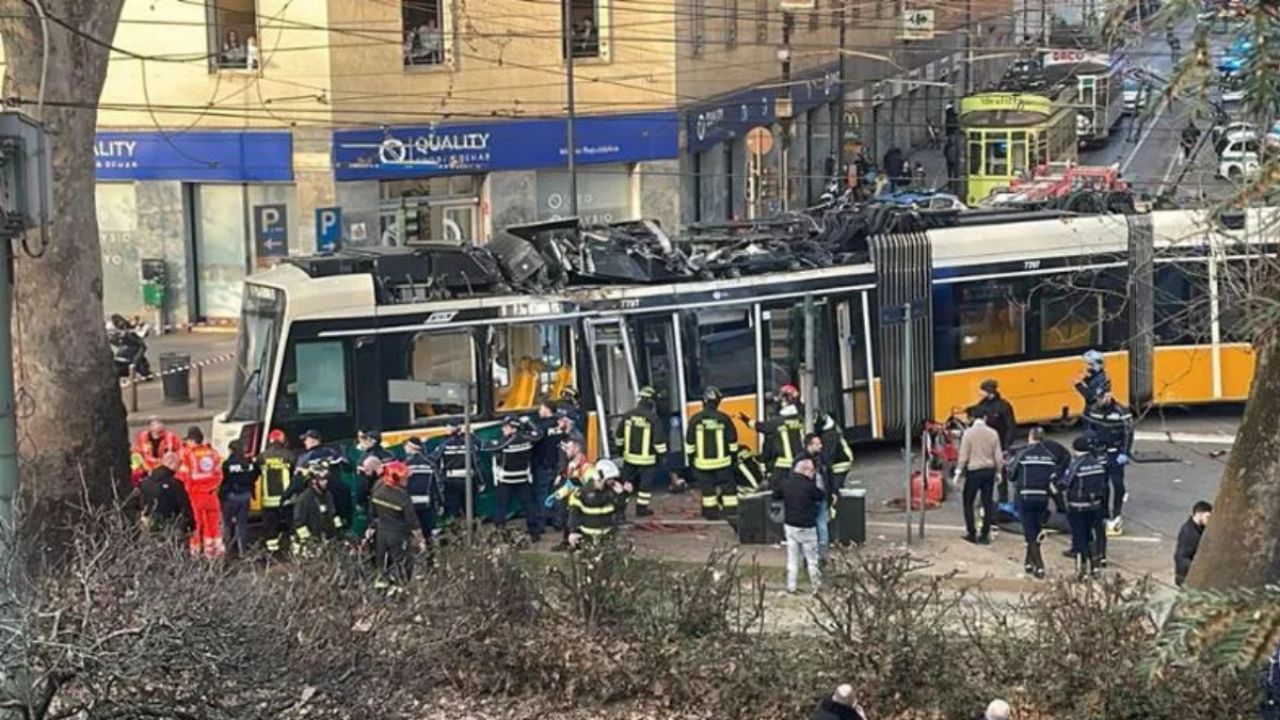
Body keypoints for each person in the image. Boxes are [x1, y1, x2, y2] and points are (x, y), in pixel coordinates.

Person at [1006, 427, 1057, 579]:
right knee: (1036, 529)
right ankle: (1028, 562)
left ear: (1030, 437)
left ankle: (1039, 565)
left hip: (1025, 496)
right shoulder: (1050, 456)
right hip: (1042, 498)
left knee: (1030, 532)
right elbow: (1054, 478)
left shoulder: (1023, 454)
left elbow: (1011, 475)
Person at [1083, 390, 1134, 537]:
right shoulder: (1094, 410)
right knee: (1102, 483)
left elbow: (1128, 432)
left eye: (1101, 398)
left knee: (1117, 483)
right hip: (1100, 451)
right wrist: (1091, 448)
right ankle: (1104, 512)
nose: (1099, 401)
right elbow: (1089, 430)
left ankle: (1117, 511)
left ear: (1109, 396)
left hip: (1116, 451)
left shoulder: (1120, 411)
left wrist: (1125, 452)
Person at [367, 461, 426, 588]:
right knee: (402, 564)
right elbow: (413, 522)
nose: (407, 480)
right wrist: (421, 540)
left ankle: (381, 588)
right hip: (398, 534)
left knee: (381, 563)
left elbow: (372, 511)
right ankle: (400, 590)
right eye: (404, 478)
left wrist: (372, 527)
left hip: (381, 532)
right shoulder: (402, 497)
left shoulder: (378, 486)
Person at [685, 386, 739, 520]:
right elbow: (733, 442)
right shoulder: (724, 418)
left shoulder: (695, 419)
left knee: (708, 491)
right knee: (729, 491)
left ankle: (710, 514)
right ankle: (731, 514)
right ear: (718, 402)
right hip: (723, 464)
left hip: (702, 464)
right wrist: (732, 458)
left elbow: (690, 444)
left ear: (703, 401)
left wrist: (692, 461)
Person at [1060, 435, 1109, 579]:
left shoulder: (1076, 465)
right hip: (1095, 506)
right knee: (1090, 535)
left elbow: (1065, 482)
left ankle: (1081, 571)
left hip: (1078, 506)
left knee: (1079, 537)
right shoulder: (1097, 464)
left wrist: (1053, 486)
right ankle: (1095, 567)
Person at [487, 416, 543, 541]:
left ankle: (499, 531)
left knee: (501, 507)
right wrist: (529, 421)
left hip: (506, 480)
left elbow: (488, 446)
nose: (502, 429)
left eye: (506, 427)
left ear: (513, 429)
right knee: (529, 506)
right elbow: (539, 433)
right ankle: (535, 532)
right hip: (523, 478)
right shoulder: (528, 438)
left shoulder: (505, 442)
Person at [740, 384, 805, 488]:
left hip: (784, 465)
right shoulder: (801, 419)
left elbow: (759, 426)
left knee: (772, 489)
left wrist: (746, 421)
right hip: (802, 463)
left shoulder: (776, 422)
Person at [775, 458, 824, 594]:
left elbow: (775, 494)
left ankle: (791, 587)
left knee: (792, 559)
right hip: (807, 527)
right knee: (812, 560)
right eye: (812, 471)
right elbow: (820, 496)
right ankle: (816, 587)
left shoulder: (786, 483)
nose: (813, 474)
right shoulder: (810, 487)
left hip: (790, 526)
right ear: (806, 470)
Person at [616, 386, 667, 518]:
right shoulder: (653, 418)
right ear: (651, 401)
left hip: (629, 459)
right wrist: (663, 456)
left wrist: (620, 450)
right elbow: (659, 442)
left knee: (625, 485)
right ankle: (641, 509)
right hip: (647, 460)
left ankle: (620, 511)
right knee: (645, 487)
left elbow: (619, 436)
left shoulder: (628, 415)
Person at [957, 409, 1003, 545]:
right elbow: (998, 457)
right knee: (987, 502)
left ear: (971, 418)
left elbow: (963, 455)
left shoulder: (968, 434)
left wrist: (958, 471)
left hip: (974, 471)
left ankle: (971, 533)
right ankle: (985, 534)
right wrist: (999, 472)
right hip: (989, 471)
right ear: (984, 417)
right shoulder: (993, 433)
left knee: (968, 502)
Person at [178, 427, 225, 558]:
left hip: (195, 496)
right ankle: (215, 554)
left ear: (192, 440)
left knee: (196, 527)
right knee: (214, 527)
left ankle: (196, 554)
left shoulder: (188, 455)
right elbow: (219, 475)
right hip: (211, 495)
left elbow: (183, 477)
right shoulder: (213, 453)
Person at [970, 379, 1017, 502]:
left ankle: (1003, 499)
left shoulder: (1003, 406)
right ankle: (985, 498)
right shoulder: (982, 404)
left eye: (982, 390)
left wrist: (1006, 446)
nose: (980, 393)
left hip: (999, 445)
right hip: (984, 445)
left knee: (1001, 473)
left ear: (989, 392)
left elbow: (1010, 426)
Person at [295, 429, 351, 529]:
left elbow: (297, 478)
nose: (304, 443)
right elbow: (348, 467)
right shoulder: (333, 452)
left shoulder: (305, 458)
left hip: (318, 497)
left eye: (306, 440)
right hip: (338, 494)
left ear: (313, 440)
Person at [292, 460, 343, 554]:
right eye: (322, 479)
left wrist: (339, 532)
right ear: (313, 481)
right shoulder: (304, 499)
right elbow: (299, 524)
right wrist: (310, 541)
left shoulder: (328, 496)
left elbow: (333, 515)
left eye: (327, 479)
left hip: (326, 543)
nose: (326, 482)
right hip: (308, 548)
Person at [549, 435, 591, 550]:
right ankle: (566, 541)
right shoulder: (571, 464)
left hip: (579, 504)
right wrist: (558, 494)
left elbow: (588, 486)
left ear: (577, 448)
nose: (566, 450)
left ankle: (576, 545)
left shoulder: (585, 466)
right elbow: (570, 484)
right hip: (572, 501)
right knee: (567, 521)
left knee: (574, 524)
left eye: (568, 448)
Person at [568, 459, 622, 546]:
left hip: (607, 538)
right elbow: (574, 513)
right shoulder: (583, 493)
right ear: (599, 478)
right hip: (586, 539)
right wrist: (573, 532)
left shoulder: (611, 491)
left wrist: (622, 495)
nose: (612, 483)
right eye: (609, 480)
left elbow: (619, 511)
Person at [258, 428, 295, 553]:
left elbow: (256, 473)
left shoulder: (262, 456)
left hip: (268, 500)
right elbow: (295, 473)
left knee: (270, 527)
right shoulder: (288, 455)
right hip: (286, 498)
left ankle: (272, 552)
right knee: (292, 524)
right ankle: (294, 548)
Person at [220, 439, 257, 556]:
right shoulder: (249, 464)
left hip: (231, 496)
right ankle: (242, 552)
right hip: (245, 495)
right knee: (242, 525)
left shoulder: (227, 464)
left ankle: (227, 549)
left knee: (226, 523)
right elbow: (254, 476)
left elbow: (223, 480)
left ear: (231, 450)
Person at [800, 432, 833, 564]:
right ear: (809, 445)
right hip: (812, 498)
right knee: (819, 525)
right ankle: (819, 556)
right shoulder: (815, 460)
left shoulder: (804, 460)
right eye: (817, 444)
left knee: (815, 526)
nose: (821, 446)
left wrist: (833, 492)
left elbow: (829, 476)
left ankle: (817, 556)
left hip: (818, 497)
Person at [403, 437, 443, 545]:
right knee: (427, 534)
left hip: (409, 506)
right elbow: (437, 486)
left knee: (410, 535)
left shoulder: (404, 465)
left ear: (412, 448)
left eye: (406, 445)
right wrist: (440, 503)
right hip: (426, 505)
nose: (404, 448)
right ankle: (429, 559)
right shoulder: (430, 464)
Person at [140, 451, 189, 537]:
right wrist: (189, 524)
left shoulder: (145, 481)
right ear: (173, 464)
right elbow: (184, 506)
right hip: (170, 525)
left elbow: (141, 502)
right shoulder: (175, 484)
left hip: (149, 523)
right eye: (178, 464)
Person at [436, 426, 481, 520]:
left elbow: (435, 458)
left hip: (451, 479)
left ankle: (455, 527)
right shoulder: (469, 444)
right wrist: (480, 480)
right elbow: (476, 461)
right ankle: (471, 527)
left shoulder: (445, 444)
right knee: (469, 507)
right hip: (468, 479)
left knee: (453, 507)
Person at [1174, 500, 1212, 587]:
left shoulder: (1200, 529)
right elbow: (1180, 557)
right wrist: (1198, 567)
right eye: (1207, 517)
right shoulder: (1188, 532)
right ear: (1199, 514)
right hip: (1186, 577)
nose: (1209, 521)